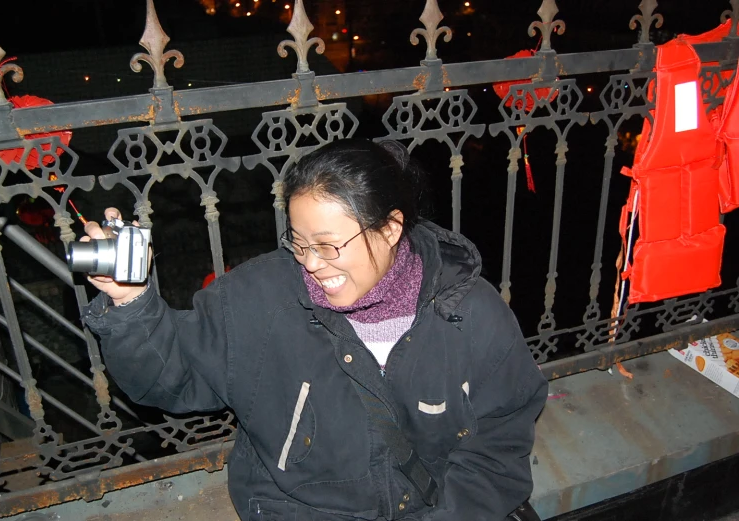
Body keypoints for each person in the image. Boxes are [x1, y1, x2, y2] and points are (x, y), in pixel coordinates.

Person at [80, 138, 548, 521]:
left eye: (327, 245)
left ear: (389, 229)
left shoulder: (468, 310)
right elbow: (170, 380)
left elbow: (498, 442)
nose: (310, 263)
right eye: (299, 243)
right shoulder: (259, 297)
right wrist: (129, 303)